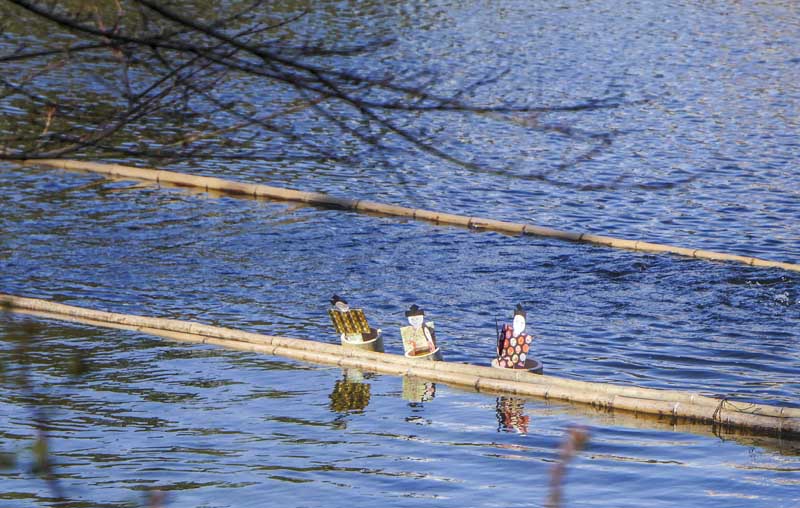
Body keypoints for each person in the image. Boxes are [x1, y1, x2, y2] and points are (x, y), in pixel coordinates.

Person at [496, 304, 533, 369]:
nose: (519, 325)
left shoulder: (525, 338)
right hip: (505, 360)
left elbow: (520, 359)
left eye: (521, 323)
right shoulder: (507, 332)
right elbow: (501, 350)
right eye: (516, 321)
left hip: (517, 364)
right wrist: (499, 349)